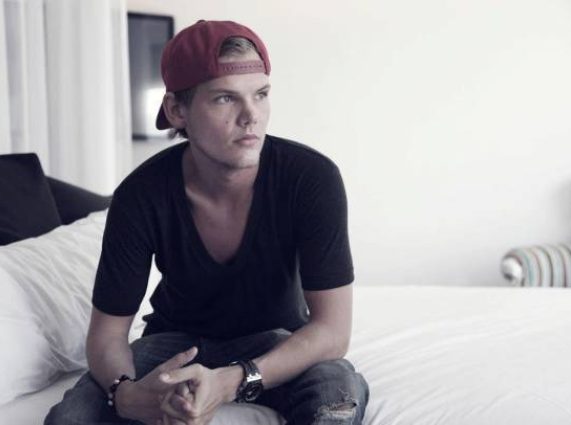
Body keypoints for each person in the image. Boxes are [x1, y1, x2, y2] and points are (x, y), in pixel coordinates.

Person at [45, 19, 369, 425]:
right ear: (176, 110)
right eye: (225, 98)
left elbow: (332, 332)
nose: (251, 116)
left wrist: (233, 381)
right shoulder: (141, 194)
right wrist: (126, 394)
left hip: (276, 344)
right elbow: (107, 335)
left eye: (261, 94)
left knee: (335, 399)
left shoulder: (311, 178)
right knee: (71, 417)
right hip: (174, 346)